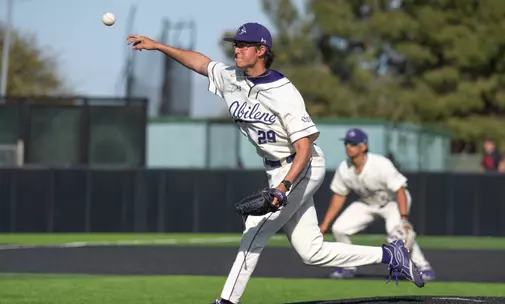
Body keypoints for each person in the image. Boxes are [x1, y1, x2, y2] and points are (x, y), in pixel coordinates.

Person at [127, 22, 424, 304]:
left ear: (261, 50)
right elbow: (199, 62)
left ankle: (228, 300)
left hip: (300, 166)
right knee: (311, 252)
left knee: (255, 230)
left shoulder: (284, 93)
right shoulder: (232, 77)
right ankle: (390, 256)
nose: (236, 50)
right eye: (236, 45)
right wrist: (158, 46)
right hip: (275, 169)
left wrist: (283, 187)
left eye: (244, 45)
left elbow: (304, 147)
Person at [319, 128, 436, 281]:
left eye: (353, 143)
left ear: (363, 146)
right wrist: (325, 224)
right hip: (367, 203)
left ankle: (422, 266)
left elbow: (400, 190)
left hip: (392, 202)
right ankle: (348, 266)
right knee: (339, 229)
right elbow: (339, 196)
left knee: (398, 233)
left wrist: (404, 218)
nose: (348, 146)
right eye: (347, 143)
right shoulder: (344, 168)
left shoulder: (380, 164)